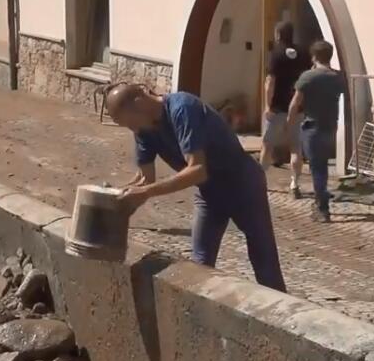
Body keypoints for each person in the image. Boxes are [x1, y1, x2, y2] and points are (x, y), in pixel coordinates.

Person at [106, 84, 287, 292]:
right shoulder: (144, 129)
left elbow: (197, 170)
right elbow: (145, 179)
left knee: (263, 258)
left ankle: (284, 316)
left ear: (139, 103)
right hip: (209, 192)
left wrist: (146, 192)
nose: (131, 129)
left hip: (243, 186)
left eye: (129, 122)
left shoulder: (182, 108)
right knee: (200, 263)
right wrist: (115, 202)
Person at [287, 40, 347, 223]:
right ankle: (320, 203)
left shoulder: (308, 77)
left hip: (312, 128)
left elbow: (295, 102)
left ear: (314, 57)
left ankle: (322, 208)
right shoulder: (337, 78)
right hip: (330, 127)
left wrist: (289, 123)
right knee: (322, 166)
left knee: (317, 169)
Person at [262, 21, 309, 186]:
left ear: (277, 35)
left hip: (277, 108)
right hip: (296, 108)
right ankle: (294, 183)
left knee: (267, 146)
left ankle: (261, 181)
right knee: (296, 147)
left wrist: (267, 106)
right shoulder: (303, 53)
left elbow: (270, 81)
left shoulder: (276, 53)